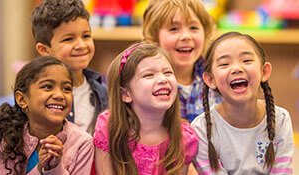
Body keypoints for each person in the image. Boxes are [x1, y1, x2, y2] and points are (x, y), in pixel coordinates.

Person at [191, 32, 294, 174]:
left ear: (264, 71)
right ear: (210, 79)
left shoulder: (280, 119)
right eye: (224, 64)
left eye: (246, 60)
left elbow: (282, 171)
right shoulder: (201, 129)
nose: (237, 68)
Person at [93, 42, 199, 175]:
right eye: (149, 75)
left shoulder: (184, 138)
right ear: (125, 94)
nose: (163, 79)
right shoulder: (108, 127)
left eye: (167, 72)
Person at [0, 56, 94, 174]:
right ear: (22, 99)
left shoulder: (83, 143)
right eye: (47, 86)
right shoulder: (7, 137)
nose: (59, 95)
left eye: (66, 88)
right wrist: (39, 169)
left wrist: (55, 168)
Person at [31, 0, 108, 134]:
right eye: (68, 39)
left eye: (86, 36)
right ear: (44, 49)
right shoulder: (37, 96)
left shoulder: (103, 92)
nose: (81, 45)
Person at [143, 0, 222, 122]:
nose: (186, 36)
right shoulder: (148, 86)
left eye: (193, 28)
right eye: (174, 29)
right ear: (154, 37)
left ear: (205, 33)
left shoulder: (217, 78)